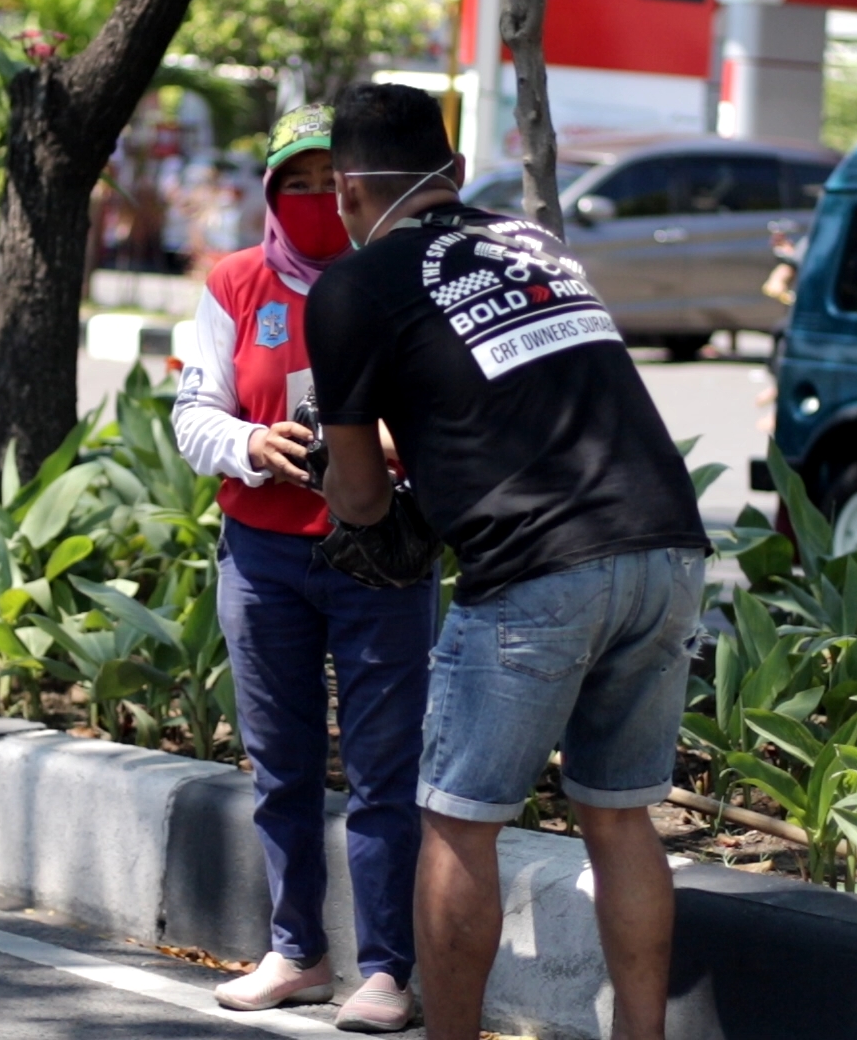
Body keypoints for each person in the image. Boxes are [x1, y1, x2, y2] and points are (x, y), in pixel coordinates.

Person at [304, 84, 710, 1040]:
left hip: (536, 571)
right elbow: (516, 394)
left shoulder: (352, 287)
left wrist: (350, 476)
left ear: (348, 189)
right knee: (619, 818)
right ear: (452, 172)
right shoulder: (534, 244)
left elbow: (358, 499)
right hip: (665, 546)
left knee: (459, 821)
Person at [171, 103, 434, 1034]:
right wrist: (251, 445)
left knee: (383, 770)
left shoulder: (400, 278)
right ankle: (296, 952)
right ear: (271, 191)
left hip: (381, 557)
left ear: (360, 188)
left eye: (333, 182)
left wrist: (400, 444)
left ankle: (387, 970)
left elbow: (451, 407)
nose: (318, 199)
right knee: (279, 765)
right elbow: (193, 414)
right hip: (264, 559)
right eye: (299, 184)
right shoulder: (236, 282)